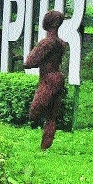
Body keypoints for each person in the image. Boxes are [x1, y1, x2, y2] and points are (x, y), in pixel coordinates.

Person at [27, 10, 68, 149]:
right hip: (58, 78)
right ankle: (45, 146)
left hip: (48, 79)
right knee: (51, 116)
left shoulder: (46, 43)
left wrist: (29, 57)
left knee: (34, 112)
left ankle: (40, 141)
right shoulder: (61, 44)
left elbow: (30, 62)